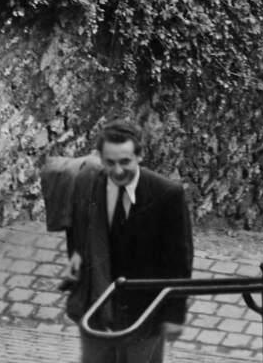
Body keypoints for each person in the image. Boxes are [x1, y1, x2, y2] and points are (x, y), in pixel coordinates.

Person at [64, 119, 193, 363]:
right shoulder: (88, 183)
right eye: (110, 162)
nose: (118, 170)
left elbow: (180, 260)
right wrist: (78, 253)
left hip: (144, 311)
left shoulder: (167, 195)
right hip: (98, 305)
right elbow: (79, 225)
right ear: (100, 158)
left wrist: (175, 314)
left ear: (140, 156)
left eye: (125, 162)